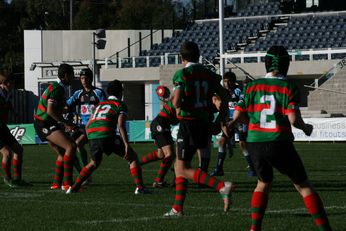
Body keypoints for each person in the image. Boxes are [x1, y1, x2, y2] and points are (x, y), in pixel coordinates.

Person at [231, 45, 332, 231]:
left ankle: (254, 228)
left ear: (266, 64)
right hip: (279, 141)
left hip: (254, 142)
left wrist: (252, 122)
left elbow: (237, 116)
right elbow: (293, 120)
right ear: (286, 65)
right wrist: (306, 127)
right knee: (303, 185)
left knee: (262, 183)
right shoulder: (289, 87)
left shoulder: (251, 86)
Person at [164, 41, 235, 217]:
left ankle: (221, 187)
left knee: (181, 169)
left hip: (188, 123)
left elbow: (177, 101)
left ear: (182, 58)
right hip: (204, 123)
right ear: (198, 55)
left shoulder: (183, 74)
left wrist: (173, 102)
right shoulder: (209, 74)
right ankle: (177, 208)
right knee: (181, 164)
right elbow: (225, 97)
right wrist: (220, 120)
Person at [66, 79, 149, 194]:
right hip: (106, 134)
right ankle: (140, 188)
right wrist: (126, 145)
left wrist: (91, 139)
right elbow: (121, 125)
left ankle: (73, 188)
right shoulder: (120, 104)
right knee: (132, 157)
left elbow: (88, 124)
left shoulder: (99, 104)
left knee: (93, 163)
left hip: (93, 136)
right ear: (121, 92)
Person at [34, 63, 77, 191]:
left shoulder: (56, 87)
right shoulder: (58, 88)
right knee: (71, 146)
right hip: (44, 123)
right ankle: (67, 184)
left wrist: (64, 111)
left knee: (63, 152)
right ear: (66, 75)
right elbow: (50, 111)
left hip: (45, 122)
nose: (73, 77)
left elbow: (55, 109)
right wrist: (65, 123)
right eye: (72, 75)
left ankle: (56, 183)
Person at [66, 68, 106, 175]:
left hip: (93, 125)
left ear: (91, 79)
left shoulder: (98, 92)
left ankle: (84, 172)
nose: (83, 80)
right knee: (68, 147)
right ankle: (82, 172)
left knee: (78, 144)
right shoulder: (78, 93)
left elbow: (105, 107)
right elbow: (67, 105)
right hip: (81, 126)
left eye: (85, 78)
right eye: (81, 78)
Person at [139, 85, 177, 188]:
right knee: (170, 154)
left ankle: (137, 163)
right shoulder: (178, 98)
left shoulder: (177, 98)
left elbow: (173, 119)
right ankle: (158, 181)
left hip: (161, 123)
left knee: (161, 154)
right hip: (161, 123)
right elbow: (174, 118)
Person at [0, 71, 31, 187]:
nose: (12, 85)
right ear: (3, 83)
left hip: (2, 127)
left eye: (13, 83)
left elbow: (7, 106)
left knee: (19, 150)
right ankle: (8, 179)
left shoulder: (7, 94)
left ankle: (18, 179)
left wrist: (14, 113)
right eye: (10, 83)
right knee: (7, 153)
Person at [209, 71, 241, 176]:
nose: (226, 83)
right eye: (225, 81)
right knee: (222, 142)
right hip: (229, 121)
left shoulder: (239, 91)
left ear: (233, 81)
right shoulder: (222, 93)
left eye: (228, 81)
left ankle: (254, 167)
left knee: (245, 144)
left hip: (240, 120)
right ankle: (219, 168)